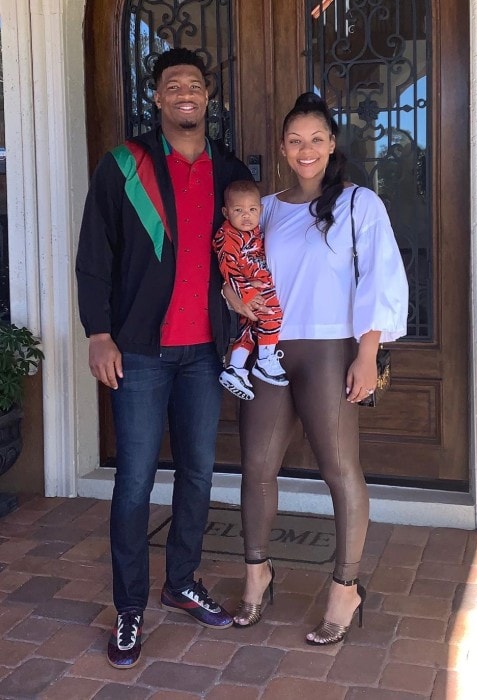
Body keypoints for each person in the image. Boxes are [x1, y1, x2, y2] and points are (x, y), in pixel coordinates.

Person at [76, 47, 253, 669]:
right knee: (134, 483)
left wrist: (243, 306)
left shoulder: (230, 171)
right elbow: (94, 253)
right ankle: (129, 608)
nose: (184, 92)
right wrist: (98, 332)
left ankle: (180, 581)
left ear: (208, 98)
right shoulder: (127, 165)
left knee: (200, 475)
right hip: (142, 354)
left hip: (204, 353)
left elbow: (245, 251)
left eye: (195, 84)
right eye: (172, 84)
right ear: (155, 98)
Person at [226, 93, 408, 644]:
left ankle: (345, 587)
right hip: (269, 350)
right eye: (296, 140)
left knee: (338, 469)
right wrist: (235, 300)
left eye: (317, 139)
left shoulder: (358, 204)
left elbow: (381, 278)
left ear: (332, 146)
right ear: (283, 148)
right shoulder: (266, 207)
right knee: (256, 466)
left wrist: (368, 354)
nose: (307, 150)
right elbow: (237, 265)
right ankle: (257, 575)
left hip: (331, 350)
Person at [214, 179, 288, 400]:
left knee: (248, 330)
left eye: (252, 210)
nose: (246, 215)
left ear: (261, 210)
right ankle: (265, 361)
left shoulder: (254, 230)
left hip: (255, 285)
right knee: (272, 313)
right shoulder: (228, 236)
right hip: (250, 290)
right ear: (226, 212)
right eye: (239, 210)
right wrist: (246, 293)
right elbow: (228, 267)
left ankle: (235, 369)